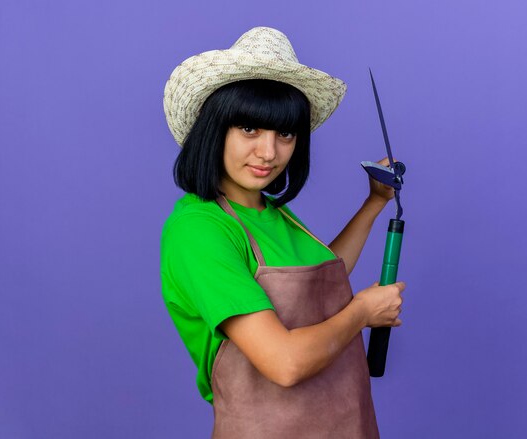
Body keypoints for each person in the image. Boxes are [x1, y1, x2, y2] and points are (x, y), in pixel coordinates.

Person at [160, 26, 406, 438]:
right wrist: (362, 312)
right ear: (213, 129)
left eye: (285, 134)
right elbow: (284, 363)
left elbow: (323, 281)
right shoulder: (199, 230)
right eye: (249, 129)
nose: (269, 152)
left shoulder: (273, 213)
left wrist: (374, 204)